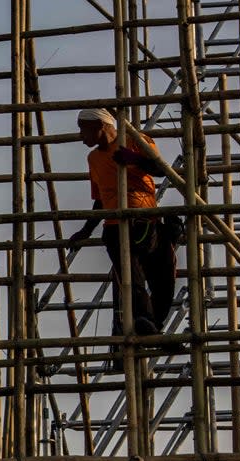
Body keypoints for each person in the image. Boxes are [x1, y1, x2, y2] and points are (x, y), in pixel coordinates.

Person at [68, 108, 176, 338]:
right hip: (116, 227)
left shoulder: (135, 141)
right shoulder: (94, 159)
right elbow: (101, 199)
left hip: (146, 221)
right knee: (131, 279)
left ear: (100, 126)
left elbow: (161, 170)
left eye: (83, 129)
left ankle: (152, 323)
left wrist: (136, 159)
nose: (80, 135)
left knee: (164, 278)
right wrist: (86, 230)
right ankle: (144, 322)